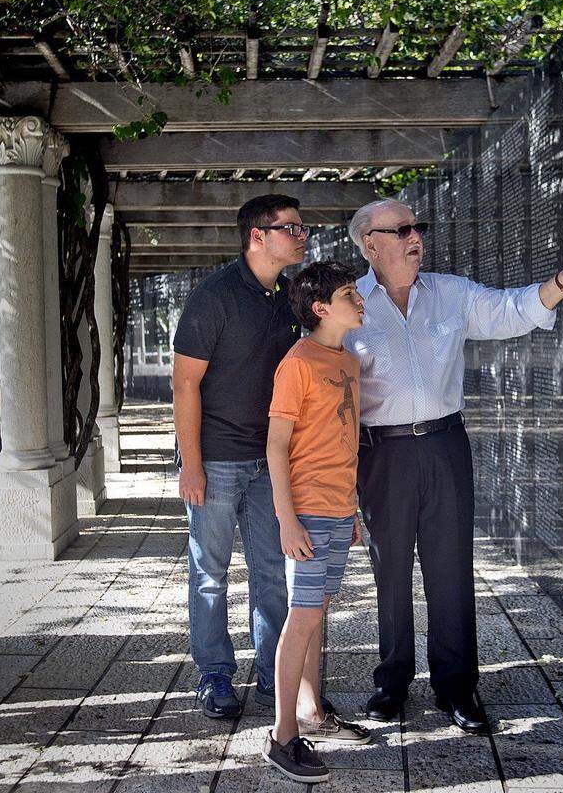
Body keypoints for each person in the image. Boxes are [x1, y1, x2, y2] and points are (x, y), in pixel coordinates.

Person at [344, 198, 563, 733]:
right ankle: (391, 683)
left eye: (419, 227)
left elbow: (510, 310)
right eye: (402, 230)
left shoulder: (451, 293)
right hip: (380, 454)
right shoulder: (350, 307)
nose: (416, 237)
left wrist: (560, 283)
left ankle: (457, 688)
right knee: (388, 571)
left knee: (450, 569)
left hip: (444, 446)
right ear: (370, 244)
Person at [172, 194, 317, 718]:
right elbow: (185, 384)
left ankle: (271, 675)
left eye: (302, 227)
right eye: (292, 228)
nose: (302, 236)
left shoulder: (286, 297)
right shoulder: (213, 296)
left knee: (271, 572)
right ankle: (213, 677)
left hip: (267, 463)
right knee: (208, 572)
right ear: (259, 236)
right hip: (214, 458)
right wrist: (191, 462)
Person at [261, 261, 372, 784]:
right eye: (351, 293)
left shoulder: (347, 361)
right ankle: (282, 738)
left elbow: (344, 442)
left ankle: (312, 713)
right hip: (304, 512)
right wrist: (288, 520)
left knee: (317, 611)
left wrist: (349, 509)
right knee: (302, 617)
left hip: (336, 510)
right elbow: (277, 445)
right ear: (322, 308)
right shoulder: (297, 363)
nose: (360, 299)